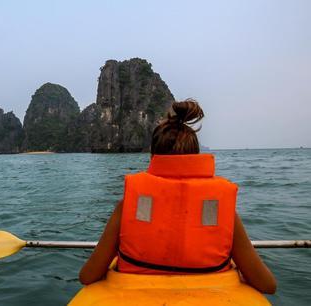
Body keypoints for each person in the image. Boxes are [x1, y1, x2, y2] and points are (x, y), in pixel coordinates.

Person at [79, 99, 276, 294]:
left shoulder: (129, 205)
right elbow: (267, 285)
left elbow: (88, 276)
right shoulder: (219, 208)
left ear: (153, 157)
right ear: (196, 156)